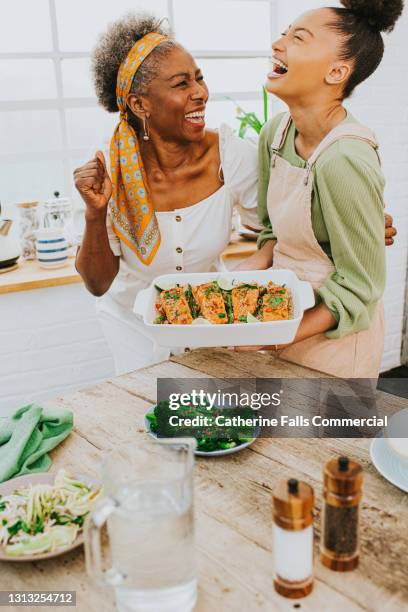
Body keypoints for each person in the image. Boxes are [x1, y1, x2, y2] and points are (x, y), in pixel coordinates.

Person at [74, 14, 260, 374]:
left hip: (211, 322)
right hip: (134, 329)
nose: (200, 93)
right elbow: (98, 284)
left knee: (215, 421)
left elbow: (279, 226)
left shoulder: (230, 155)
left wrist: (347, 223)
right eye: (181, 84)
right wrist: (95, 213)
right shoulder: (109, 171)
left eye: (199, 78)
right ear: (140, 104)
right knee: (148, 421)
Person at [236, 0, 403, 378]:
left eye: (298, 38)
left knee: (323, 436)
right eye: (284, 33)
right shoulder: (275, 135)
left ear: (336, 71)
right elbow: (272, 233)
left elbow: (361, 287)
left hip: (335, 340)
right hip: (280, 314)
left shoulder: (345, 158)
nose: (278, 44)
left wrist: (277, 335)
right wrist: (243, 275)